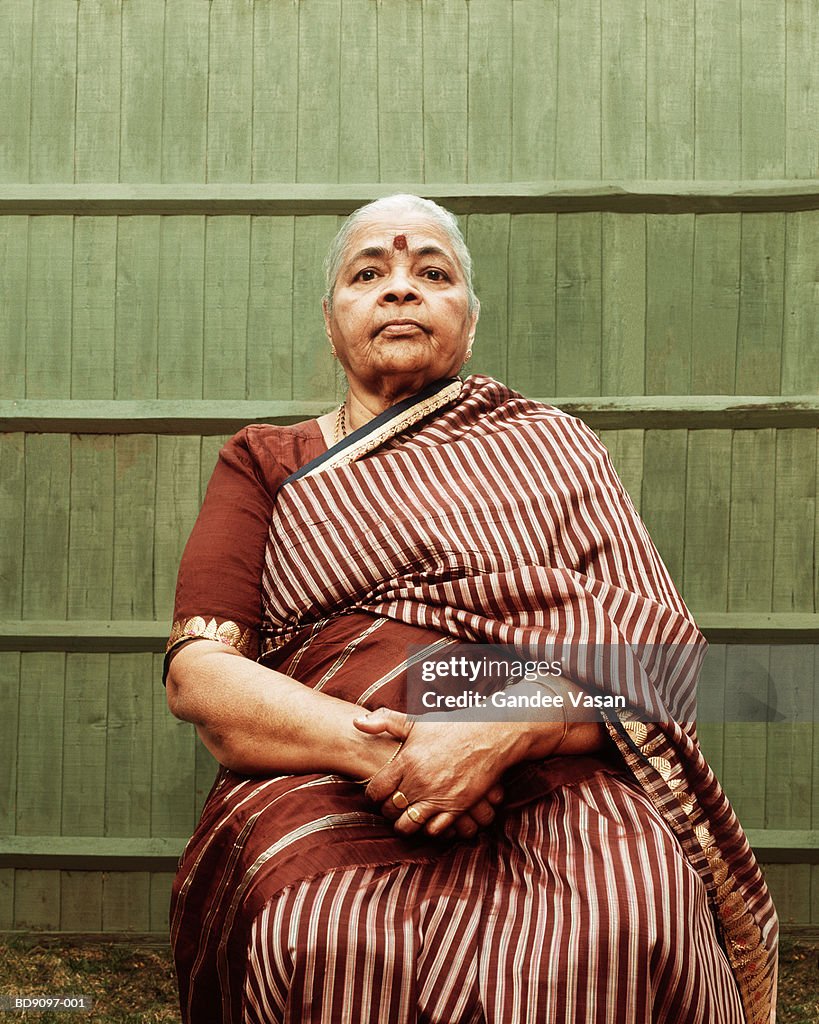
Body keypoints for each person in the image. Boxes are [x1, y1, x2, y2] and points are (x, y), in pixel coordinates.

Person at [164, 194, 777, 1024]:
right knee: (317, 927)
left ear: (470, 319)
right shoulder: (265, 461)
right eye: (369, 272)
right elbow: (203, 677)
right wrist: (388, 755)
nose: (400, 288)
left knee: (630, 913)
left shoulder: (553, 446)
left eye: (432, 272)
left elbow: (664, 665)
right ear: (331, 316)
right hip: (322, 766)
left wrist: (501, 728)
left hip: (547, 761)